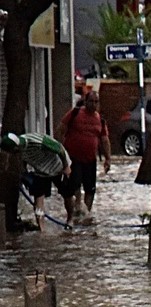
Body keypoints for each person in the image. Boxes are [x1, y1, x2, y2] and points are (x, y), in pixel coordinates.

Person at [1, 132, 74, 230]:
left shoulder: (37, 142)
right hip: (41, 171)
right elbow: (24, 160)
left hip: (58, 167)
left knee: (67, 194)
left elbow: (59, 148)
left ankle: (70, 219)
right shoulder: (18, 150)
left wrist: (66, 167)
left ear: (16, 147)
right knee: (38, 198)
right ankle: (41, 228)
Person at [59, 90, 110, 223]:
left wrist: (108, 159)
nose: (94, 104)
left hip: (90, 159)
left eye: (96, 102)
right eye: (91, 101)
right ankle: (75, 208)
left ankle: (86, 213)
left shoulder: (100, 120)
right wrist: (58, 150)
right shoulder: (75, 113)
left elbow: (104, 140)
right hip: (73, 158)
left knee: (90, 188)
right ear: (85, 101)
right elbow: (61, 128)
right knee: (73, 184)